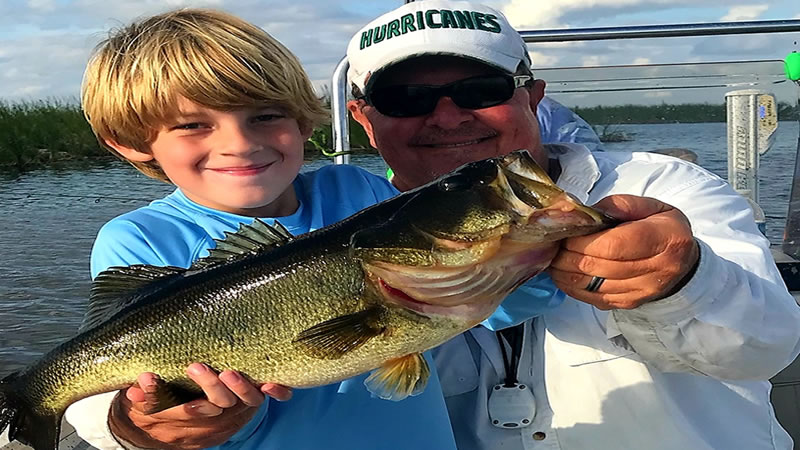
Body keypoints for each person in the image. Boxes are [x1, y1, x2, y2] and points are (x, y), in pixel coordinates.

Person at [63, 8, 596, 450]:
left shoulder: (357, 193)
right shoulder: (138, 238)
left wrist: (537, 248)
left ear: (302, 121)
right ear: (132, 144)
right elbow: (125, 390)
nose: (240, 143)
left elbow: (496, 307)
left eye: (266, 116)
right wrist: (162, 426)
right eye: (192, 125)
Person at [345, 1, 800, 449]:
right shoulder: (338, 236)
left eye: (481, 89)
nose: (447, 117)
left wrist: (683, 282)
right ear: (364, 119)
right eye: (404, 100)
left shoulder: (664, 188)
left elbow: (770, 347)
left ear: (533, 96)